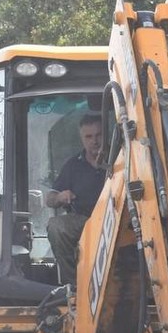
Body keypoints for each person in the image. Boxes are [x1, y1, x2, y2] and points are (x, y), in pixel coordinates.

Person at [45, 114, 106, 285]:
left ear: (106, 135)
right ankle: (75, 284)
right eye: (89, 136)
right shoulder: (73, 166)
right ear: (82, 139)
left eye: (98, 135)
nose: (94, 141)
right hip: (83, 221)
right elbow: (49, 199)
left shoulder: (120, 159)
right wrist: (59, 197)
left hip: (118, 219)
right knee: (56, 226)